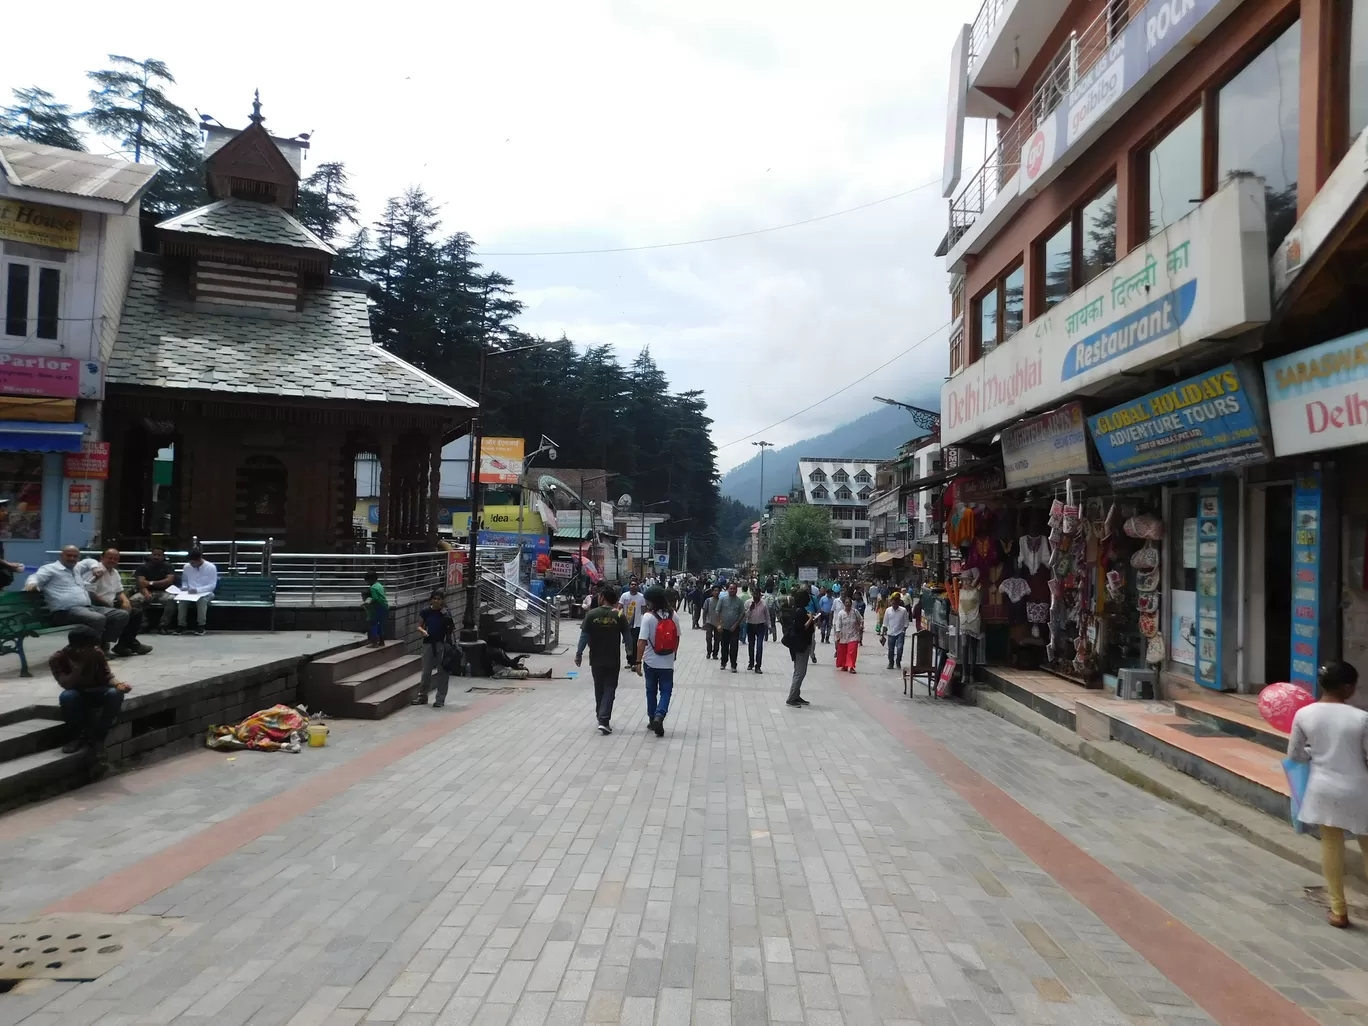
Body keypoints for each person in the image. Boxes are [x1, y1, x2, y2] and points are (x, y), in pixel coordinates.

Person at [1287, 662, 1368, 928]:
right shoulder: (1361, 718)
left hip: (1323, 787)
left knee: (1332, 845)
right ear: (1348, 687)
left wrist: (1316, 754)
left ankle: (1338, 911)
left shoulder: (1304, 714)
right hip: (1360, 789)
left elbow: (1295, 756)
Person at [26, 545, 130, 650]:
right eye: (69, 555)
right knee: (98, 618)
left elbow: (89, 561)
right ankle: (91, 650)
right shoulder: (50, 569)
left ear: (78, 558)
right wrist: (32, 584)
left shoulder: (76, 567)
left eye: (75, 556)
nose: (72, 558)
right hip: (64, 611)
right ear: (61, 555)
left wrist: (95, 568)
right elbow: (35, 577)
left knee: (121, 615)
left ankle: (101, 644)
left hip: (86, 608)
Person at [50, 626, 131, 756]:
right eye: (90, 646)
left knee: (114, 694)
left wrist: (119, 684)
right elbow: (66, 684)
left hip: (97, 690)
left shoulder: (96, 653)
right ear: (79, 648)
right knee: (67, 697)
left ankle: (98, 737)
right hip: (77, 692)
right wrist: (77, 670)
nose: (94, 649)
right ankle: (75, 737)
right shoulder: (57, 659)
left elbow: (106, 675)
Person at [576, 584, 634, 734]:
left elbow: (584, 636)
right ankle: (604, 718)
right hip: (613, 658)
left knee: (599, 687)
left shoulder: (592, 614)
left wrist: (579, 653)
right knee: (609, 688)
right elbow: (627, 636)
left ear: (602, 598)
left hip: (596, 658)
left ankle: (600, 716)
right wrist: (630, 652)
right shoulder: (619, 615)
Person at [76, 548, 151, 657]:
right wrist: (108, 604)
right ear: (102, 558)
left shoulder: (114, 572)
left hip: (110, 602)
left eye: (115, 559)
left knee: (135, 612)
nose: (112, 560)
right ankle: (128, 644)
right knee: (122, 614)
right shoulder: (96, 571)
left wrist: (125, 601)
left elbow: (119, 591)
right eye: (109, 558)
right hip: (95, 604)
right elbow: (90, 593)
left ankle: (124, 645)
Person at [635, 585, 679, 737]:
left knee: (651, 691)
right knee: (666, 691)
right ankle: (660, 715)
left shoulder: (648, 617)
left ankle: (652, 718)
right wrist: (674, 653)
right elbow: (677, 637)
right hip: (667, 662)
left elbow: (641, 641)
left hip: (650, 662)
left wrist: (638, 662)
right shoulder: (674, 615)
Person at [413, 591, 455, 708]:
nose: (436, 601)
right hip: (428, 643)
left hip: (442, 643)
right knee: (426, 672)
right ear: (431, 600)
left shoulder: (445, 613)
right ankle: (422, 696)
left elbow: (451, 628)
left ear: (442, 600)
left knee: (442, 672)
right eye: (434, 599)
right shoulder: (425, 612)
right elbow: (419, 626)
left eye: (439, 599)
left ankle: (440, 698)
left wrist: (446, 617)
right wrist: (423, 631)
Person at [782, 586, 817, 707]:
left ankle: (796, 695)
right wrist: (811, 619)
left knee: (799, 670)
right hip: (800, 644)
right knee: (800, 672)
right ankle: (791, 698)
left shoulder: (795, 609)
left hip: (798, 644)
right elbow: (801, 628)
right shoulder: (801, 611)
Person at [134, 547, 176, 634]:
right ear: (150, 555)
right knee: (134, 600)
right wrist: (146, 592)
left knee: (171, 599)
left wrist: (150, 583)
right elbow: (141, 583)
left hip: (165, 591)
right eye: (154, 555)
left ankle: (163, 625)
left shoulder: (168, 566)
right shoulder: (142, 567)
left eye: (159, 555)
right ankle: (143, 624)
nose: (156, 557)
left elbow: (169, 581)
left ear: (163, 557)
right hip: (147, 591)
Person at [177, 548, 218, 635]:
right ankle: (181, 625)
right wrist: (184, 587)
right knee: (182, 601)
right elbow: (184, 580)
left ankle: (201, 625)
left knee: (202, 601)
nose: (191, 565)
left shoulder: (211, 567)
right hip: (190, 592)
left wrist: (198, 590)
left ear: (199, 560)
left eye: (193, 563)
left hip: (206, 593)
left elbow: (212, 586)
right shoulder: (187, 567)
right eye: (190, 563)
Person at [715, 581, 745, 673]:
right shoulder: (722, 599)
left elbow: (742, 614)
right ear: (728, 589)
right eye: (730, 588)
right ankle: (723, 662)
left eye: (734, 589)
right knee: (724, 646)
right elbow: (718, 611)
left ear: (736, 590)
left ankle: (733, 665)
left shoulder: (739, 601)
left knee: (734, 647)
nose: (732, 590)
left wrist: (736, 624)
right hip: (724, 627)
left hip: (735, 628)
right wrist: (719, 624)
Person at [833, 594, 863, 673]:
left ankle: (852, 666)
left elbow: (861, 620)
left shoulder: (855, 612)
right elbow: (838, 623)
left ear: (851, 603)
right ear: (844, 604)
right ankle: (844, 665)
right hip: (843, 635)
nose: (847, 604)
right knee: (843, 652)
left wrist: (860, 626)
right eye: (846, 603)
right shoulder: (841, 613)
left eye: (849, 602)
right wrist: (838, 632)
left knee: (852, 651)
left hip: (853, 635)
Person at [745, 586, 771, 673]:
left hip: (760, 626)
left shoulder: (763, 603)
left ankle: (758, 665)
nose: (756, 596)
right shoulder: (748, 602)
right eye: (754, 594)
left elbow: (767, 615)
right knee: (751, 645)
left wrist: (769, 625)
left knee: (759, 646)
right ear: (752, 594)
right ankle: (751, 662)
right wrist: (750, 609)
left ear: (760, 594)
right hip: (751, 625)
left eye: (758, 594)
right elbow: (745, 616)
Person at [883, 594, 911, 670]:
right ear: (891, 603)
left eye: (896, 603)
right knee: (891, 649)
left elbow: (906, 622)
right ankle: (890, 662)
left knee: (899, 648)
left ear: (898, 603)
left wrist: (903, 631)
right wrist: (883, 634)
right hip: (891, 632)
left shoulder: (903, 610)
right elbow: (885, 623)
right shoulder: (888, 610)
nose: (894, 605)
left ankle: (898, 661)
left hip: (900, 632)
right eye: (893, 603)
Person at [362, 569, 387, 647]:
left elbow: (375, 598)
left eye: (367, 581)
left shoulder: (373, 588)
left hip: (378, 607)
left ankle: (374, 643)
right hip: (385, 606)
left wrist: (367, 603)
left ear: (370, 580)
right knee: (380, 625)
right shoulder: (380, 585)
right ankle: (382, 642)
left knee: (374, 624)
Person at [619, 580, 646, 652]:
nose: (633, 586)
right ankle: (629, 658)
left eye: (635, 584)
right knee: (627, 642)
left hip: (637, 624)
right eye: (632, 584)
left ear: (638, 586)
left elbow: (644, 610)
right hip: (626, 624)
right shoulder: (624, 596)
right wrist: (618, 616)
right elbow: (619, 607)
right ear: (629, 586)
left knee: (634, 642)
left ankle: (633, 659)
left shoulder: (641, 597)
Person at [702, 585, 721, 660]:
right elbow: (704, 612)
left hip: (718, 623)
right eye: (715, 590)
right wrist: (704, 622)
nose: (716, 592)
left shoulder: (721, 601)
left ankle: (715, 654)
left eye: (718, 591)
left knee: (717, 639)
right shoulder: (708, 600)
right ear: (712, 592)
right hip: (709, 622)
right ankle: (709, 652)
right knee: (708, 638)